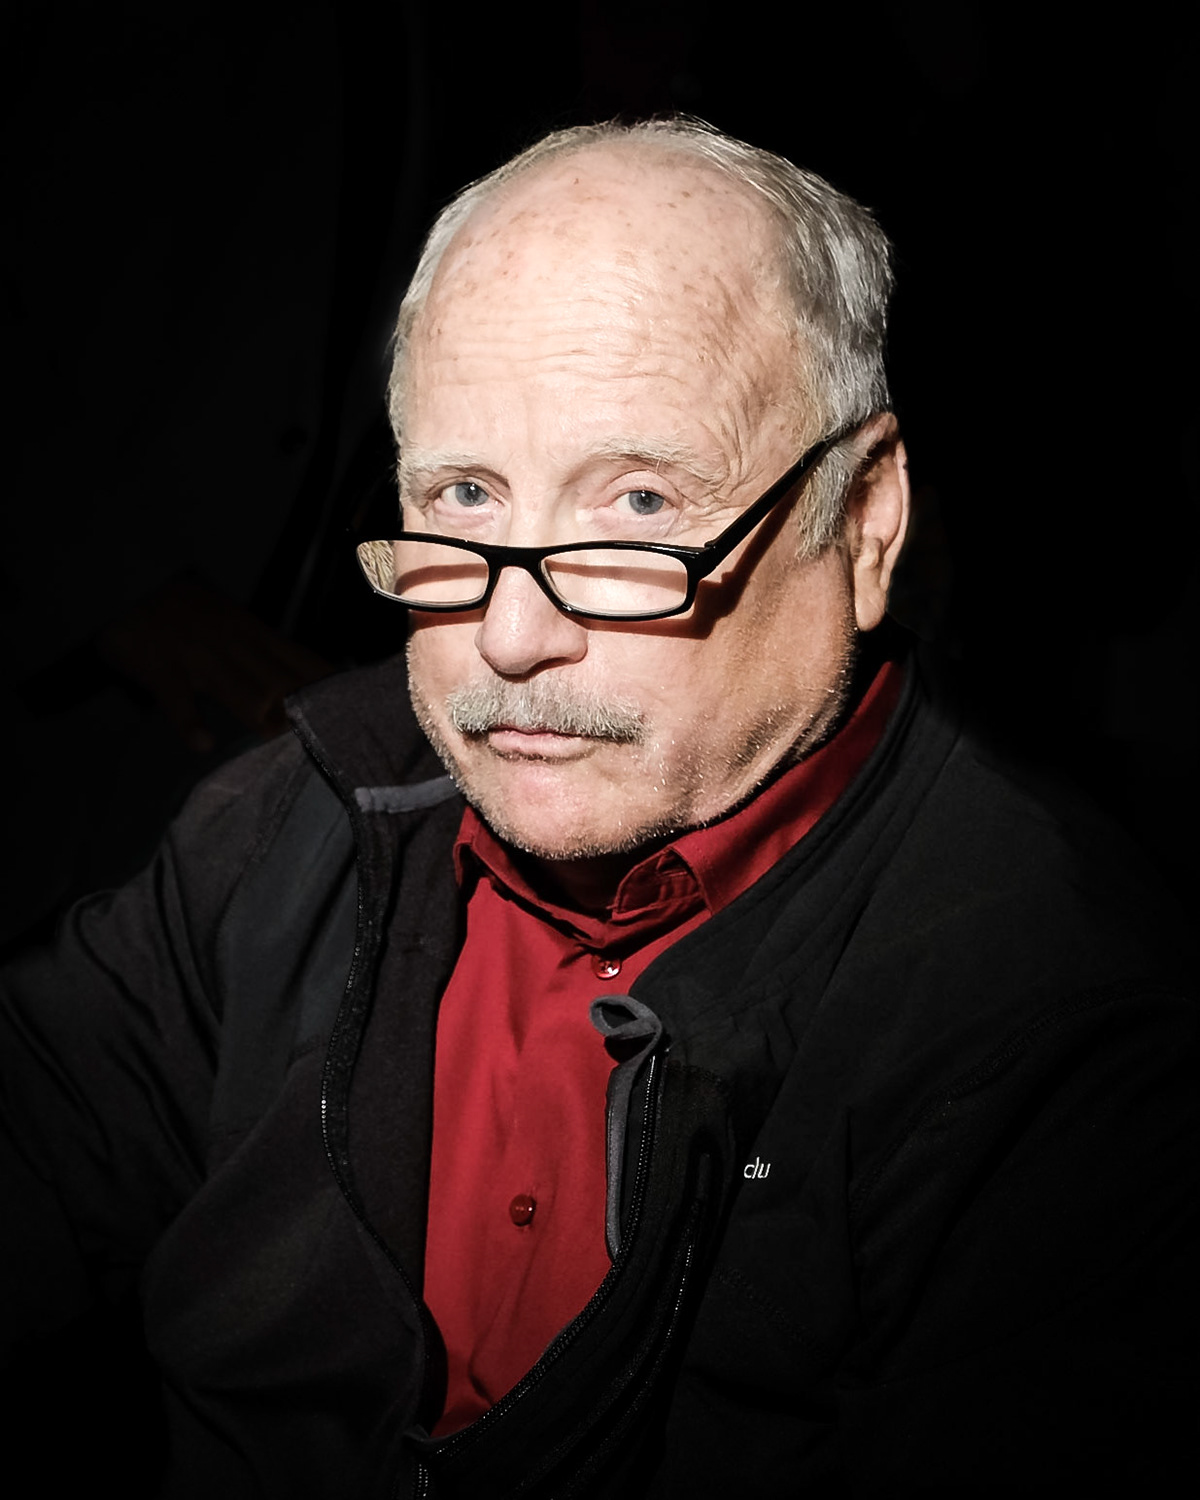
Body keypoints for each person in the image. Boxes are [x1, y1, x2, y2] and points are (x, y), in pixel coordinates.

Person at [1, 119, 1194, 1498]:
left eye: (634, 506)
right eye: (461, 496)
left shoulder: (1058, 1025)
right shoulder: (300, 818)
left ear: (865, 520)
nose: (508, 636)